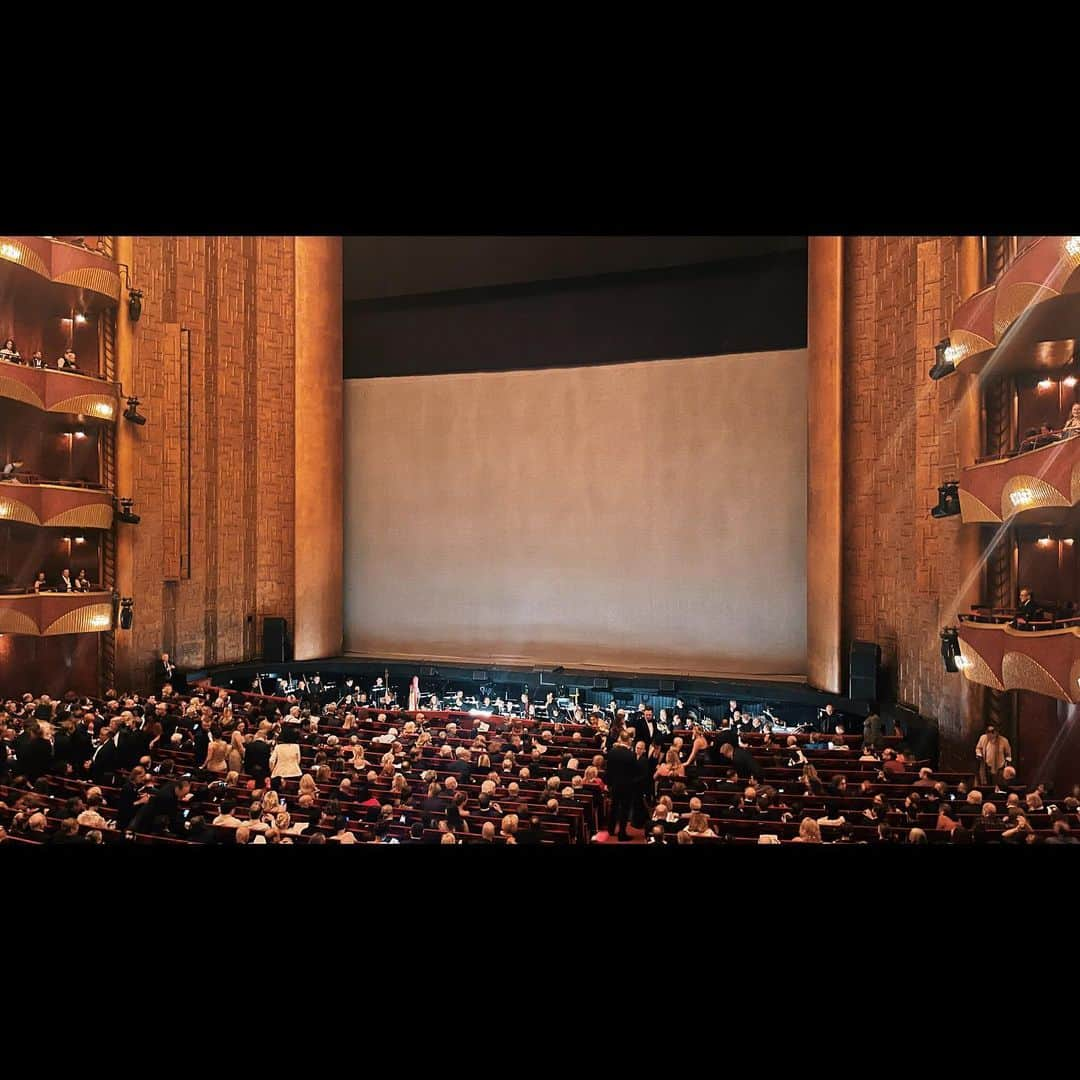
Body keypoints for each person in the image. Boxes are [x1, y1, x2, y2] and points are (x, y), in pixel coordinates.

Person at [602, 732, 638, 842]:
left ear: (620, 739)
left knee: (614, 807)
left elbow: (608, 770)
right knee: (624, 810)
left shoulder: (612, 752)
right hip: (627, 785)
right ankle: (622, 833)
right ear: (628, 740)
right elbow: (633, 772)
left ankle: (611, 829)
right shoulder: (631, 754)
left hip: (614, 785)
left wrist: (608, 783)